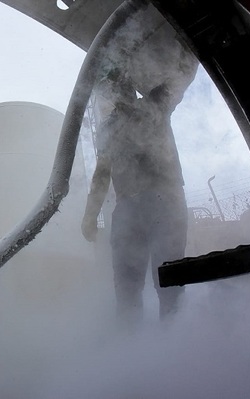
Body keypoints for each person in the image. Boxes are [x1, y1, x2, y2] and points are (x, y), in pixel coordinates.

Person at [81, 2, 198, 326]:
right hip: (129, 209)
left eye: (116, 85)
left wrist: (192, 44)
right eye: (109, 86)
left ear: (127, 88)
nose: (112, 92)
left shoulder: (154, 106)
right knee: (127, 289)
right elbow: (102, 173)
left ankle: (172, 350)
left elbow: (181, 78)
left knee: (170, 281)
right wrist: (91, 215)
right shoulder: (110, 128)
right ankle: (131, 350)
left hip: (165, 201)